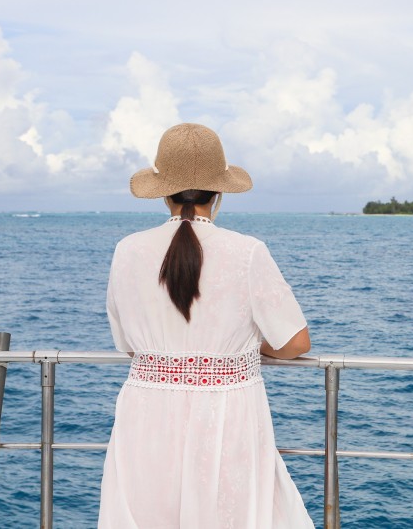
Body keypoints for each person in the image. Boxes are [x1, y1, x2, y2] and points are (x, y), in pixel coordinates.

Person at [98, 123, 314, 529]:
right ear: (219, 195)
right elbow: (296, 342)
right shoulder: (247, 251)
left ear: (164, 192)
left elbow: (127, 344)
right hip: (226, 411)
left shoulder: (127, 251)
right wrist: (253, 348)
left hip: (147, 413)